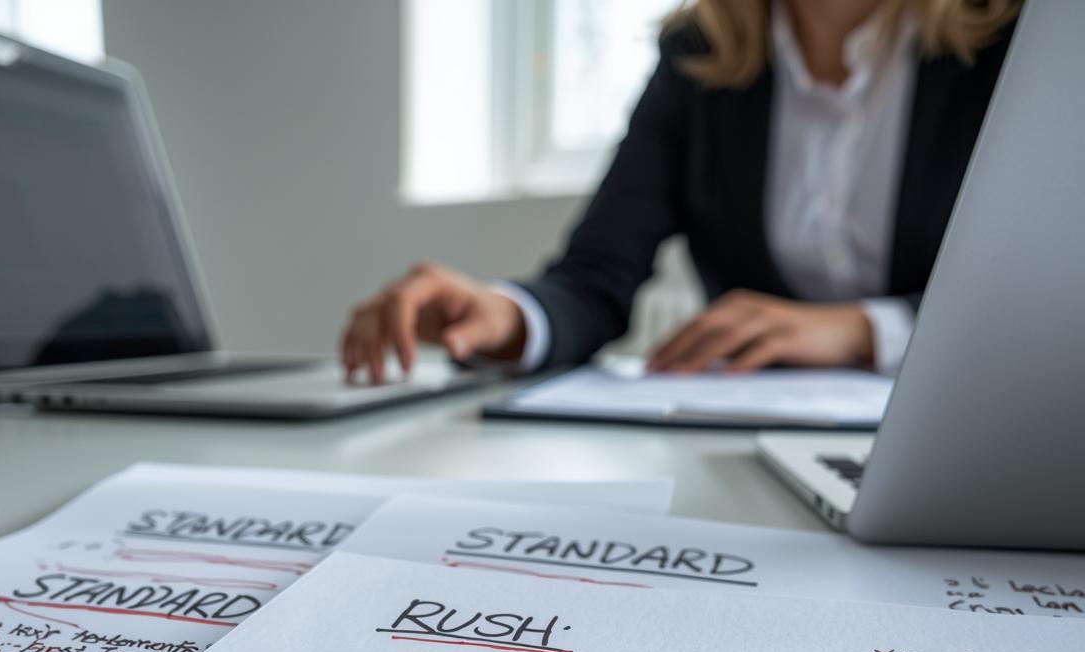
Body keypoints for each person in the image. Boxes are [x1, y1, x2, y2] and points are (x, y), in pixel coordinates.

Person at [341, 0, 1020, 384]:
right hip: (744, 442)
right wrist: (504, 315)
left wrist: (863, 330)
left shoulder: (1023, 41)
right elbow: (595, 279)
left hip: (969, 427)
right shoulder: (697, 58)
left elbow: (1046, 297)